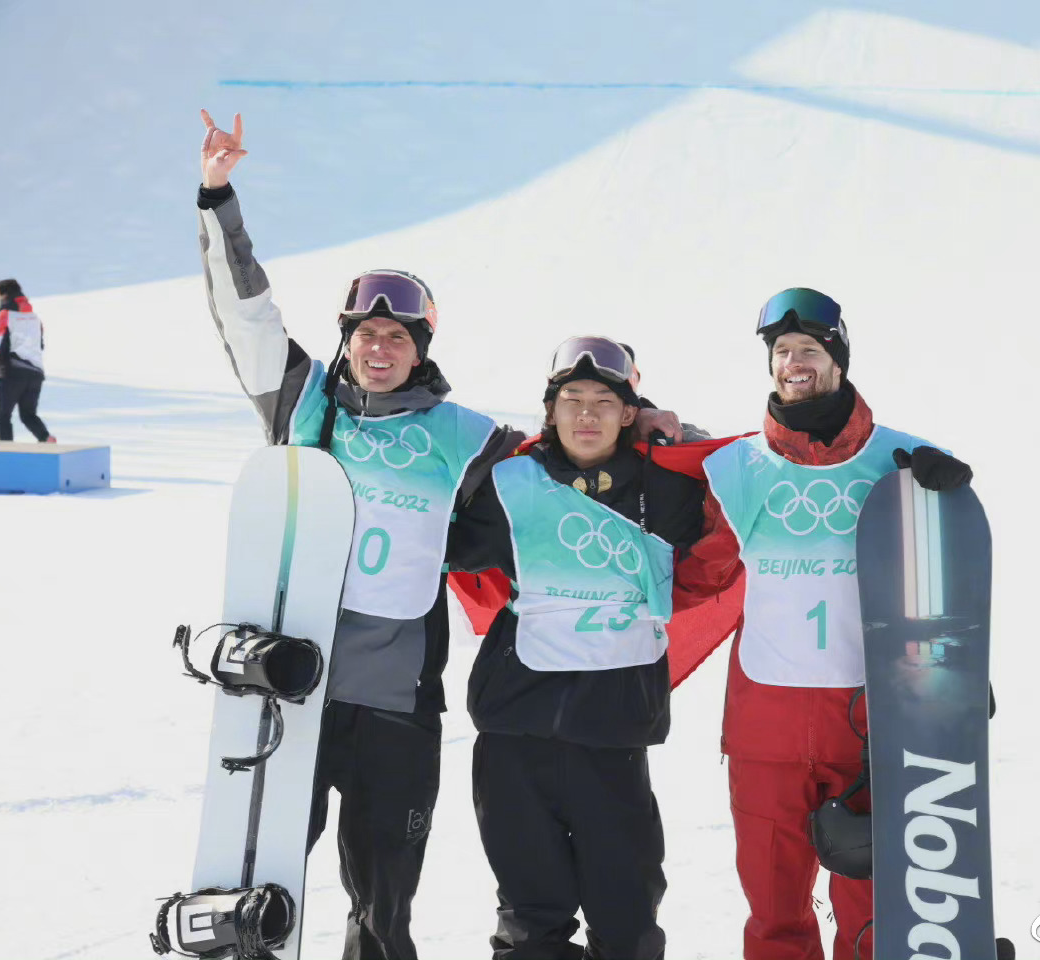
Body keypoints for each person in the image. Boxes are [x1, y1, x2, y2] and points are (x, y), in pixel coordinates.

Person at [194, 111, 680, 960]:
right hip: (289, 687)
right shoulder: (302, 401)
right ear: (345, 341)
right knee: (260, 885)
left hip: (396, 705)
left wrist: (656, 431)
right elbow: (246, 315)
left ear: (421, 349)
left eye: (398, 335)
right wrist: (217, 198)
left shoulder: (468, 439)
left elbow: (571, 460)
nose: (379, 347)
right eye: (365, 333)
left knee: (382, 912)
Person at [673, 288, 975, 960]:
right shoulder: (737, 468)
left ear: (838, 359)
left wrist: (958, 673)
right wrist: (663, 500)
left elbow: (951, 577)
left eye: (808, 349)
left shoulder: (902, 460)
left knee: (873, 911)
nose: (793, 362)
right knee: (773, 912)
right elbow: (701, 579)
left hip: (866, 723)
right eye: (781, 352)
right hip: (765, 728)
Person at [447, 336, 707, 960]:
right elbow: (429, 533)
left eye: (603, 401)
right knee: (531, 922)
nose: (586, 415)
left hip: (612, 738)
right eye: (571, 400)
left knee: (626, 922)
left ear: (628, 413)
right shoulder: (508, 486)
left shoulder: (669, 488)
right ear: (550, 411)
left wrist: (676, 431)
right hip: (514, 735)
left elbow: (763, 477)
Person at [0, 278, 55, 443]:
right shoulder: (34, 318)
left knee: (3, 416)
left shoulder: (4, 315)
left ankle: (7, 455)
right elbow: (39, 345)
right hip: (36, 374)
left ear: (4, 294)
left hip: (12, 372)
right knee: (28, 415)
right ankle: (47, 439)